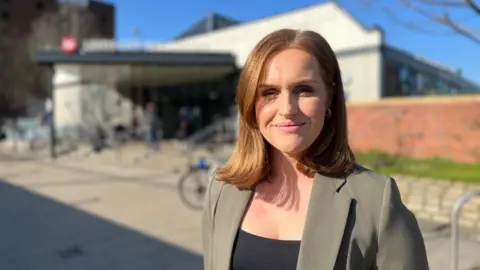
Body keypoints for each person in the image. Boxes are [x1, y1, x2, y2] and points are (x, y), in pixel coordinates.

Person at [202, 29, 429, 270]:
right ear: (250, 102)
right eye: (269, 92)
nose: (287, 108)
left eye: (303, 89)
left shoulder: (376, 199)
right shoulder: (221, 189)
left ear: (329, 95)